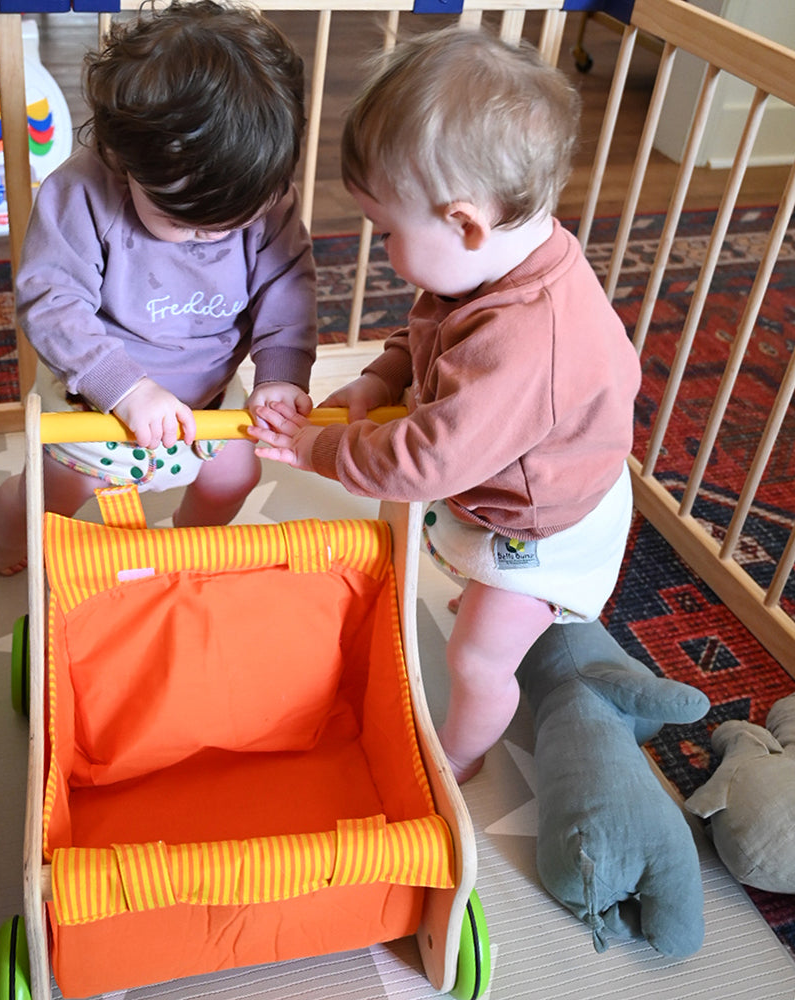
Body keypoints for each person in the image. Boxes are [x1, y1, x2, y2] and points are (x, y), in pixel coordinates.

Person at [248, 26, 642, 783]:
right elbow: (430, 329)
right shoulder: (493, 259)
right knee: (473, 598)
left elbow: (426, 462)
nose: (381, 246)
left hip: (543, 523)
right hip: (521, 464)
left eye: (386, 231)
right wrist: (381, 379)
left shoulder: (527, 344)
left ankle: (462, 754)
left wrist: (316, 449)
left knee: (477, 657)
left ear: (464, 222)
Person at [0, 0, 317, 575]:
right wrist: (128, 390)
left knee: (235, 477)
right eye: (185, 222)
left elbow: (286, 285)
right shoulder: (81, 193)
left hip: (210, 398)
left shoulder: (265, 194)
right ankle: (4, 536)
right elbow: (51, 301)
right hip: (96, 398)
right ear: (122, 159)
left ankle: (181, 555)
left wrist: (282, 375)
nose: (210, 237)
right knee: (48, 502)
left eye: (234, 222)